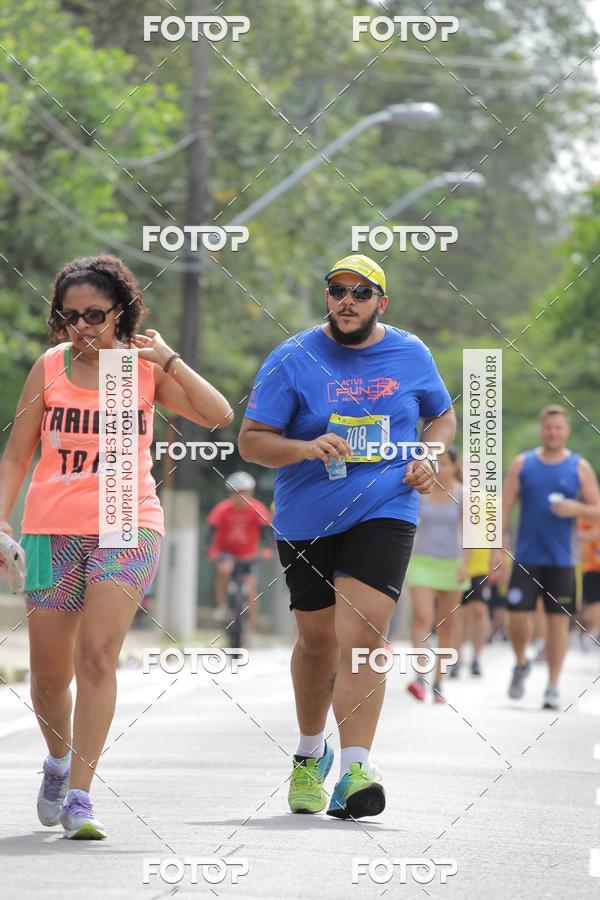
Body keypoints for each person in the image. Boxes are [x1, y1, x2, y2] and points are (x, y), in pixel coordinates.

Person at [0, 255, 232, 839]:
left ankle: (81, 792)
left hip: (128, 524)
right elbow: (15, 457)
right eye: (69, 316)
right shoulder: (49, 368)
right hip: (49, 529)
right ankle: (56, 763)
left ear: (121, 313)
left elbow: (218, 414)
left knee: (98, 655)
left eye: (95, 315)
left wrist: (169, 358)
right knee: (49, 679)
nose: (82, 327)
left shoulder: (141, 370)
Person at [238, 254, 455, 819]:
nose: (348, 301)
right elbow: (252, 441)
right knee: (316, 642)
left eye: (362, 293)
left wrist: (429, 455)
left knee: (363, 632)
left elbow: (443, 416)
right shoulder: (293, 357)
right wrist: (306, 447)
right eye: (338, 290)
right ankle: (311, 755)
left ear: (382, 302)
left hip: (387, 506)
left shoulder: (410, 353)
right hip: (307, 515)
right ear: (327, 297)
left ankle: (357, 769)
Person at [491, 405, 600, 710]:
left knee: (557, 624)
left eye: (558, 428)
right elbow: (504, 505)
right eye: (548, 427)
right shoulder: (522, 464)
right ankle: (522, 661)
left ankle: (552, 685)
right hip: (526, 556)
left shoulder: (579, 467)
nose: (553, 433)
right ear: (542, 429)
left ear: (566, 431)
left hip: (563, 559)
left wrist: (576, 509)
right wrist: (496, 547)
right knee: (515, 618)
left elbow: (597, 508)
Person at [405, 446, 469, 703]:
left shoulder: (463, 494)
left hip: (452, 565)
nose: (440, 468)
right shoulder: (423, 492)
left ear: (455, 467)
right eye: (436, 463)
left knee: (447, 624)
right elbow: (410, 525)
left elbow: (470, 533)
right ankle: (420, 676)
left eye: (445, 463)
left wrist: (466, 564)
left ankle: (439, 682)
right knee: (422, 616)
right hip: (422, 562)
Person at [206, 471, 272, 633]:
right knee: (224, 570)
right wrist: (211, 551)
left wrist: (265, 550)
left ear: (251, 493)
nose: (241, 496)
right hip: (225, 552)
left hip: (247, 555)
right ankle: (222, 606)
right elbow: (210, 533)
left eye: (245, 492)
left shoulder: (258, 509)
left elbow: (265, 534)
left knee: (251, 590)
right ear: (231, 493)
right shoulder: (222, 509)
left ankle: (250, 629)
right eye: (237, 492)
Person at [455, 547, 496, 677]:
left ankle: (476, 658)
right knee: (459, 614)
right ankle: (457, 656)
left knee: (479, 610)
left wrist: (495, 559)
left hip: (480, 567)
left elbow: (495, 530)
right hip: (457, 564)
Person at [578, 515, 600, 650]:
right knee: (590, 604)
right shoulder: (587, 517)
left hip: (592, 568)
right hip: (591, 567)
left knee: (594, 603)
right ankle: (592, 632)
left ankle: (593, 632)